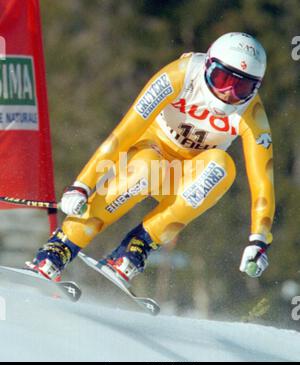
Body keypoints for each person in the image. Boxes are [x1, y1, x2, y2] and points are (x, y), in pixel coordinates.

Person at [27, 32, 275, 285]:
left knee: (222, 167)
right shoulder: (180, 75)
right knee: (147, 167)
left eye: (241, 87)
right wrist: (82, 185)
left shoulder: (251, 113)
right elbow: (123, 134)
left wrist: (259, 238)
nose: (228, 94)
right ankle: (62, 246)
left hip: (185, 177)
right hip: (150, 152)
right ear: (208, 66)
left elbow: (262, 180)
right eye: (221, 79)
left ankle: (137, 246)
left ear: (255, 88)